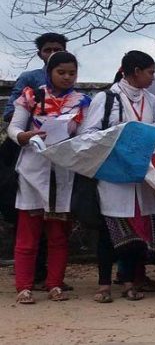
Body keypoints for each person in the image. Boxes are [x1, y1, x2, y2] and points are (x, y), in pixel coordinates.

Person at [7, 51, 90, 304]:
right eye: (61, 72)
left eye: (72, 73)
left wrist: (75, 142)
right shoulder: (31, 97)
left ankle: (55, 284)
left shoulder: (82, 101)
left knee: (58, 234)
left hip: (63, 172)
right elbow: (14, 127)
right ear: (49, 72)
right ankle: (24, 286)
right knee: (28, 233)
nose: (67, 77)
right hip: (33, 172)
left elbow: (86, 134)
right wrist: (24, 137)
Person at [81, 51, 155, 303]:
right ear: (136, 71)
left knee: (137, 232)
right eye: (150, 72)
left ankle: (129, 282)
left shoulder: (151, 101)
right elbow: (89, 134)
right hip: (113, 175)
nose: (152, 77)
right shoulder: (106, 99)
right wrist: (119, 139)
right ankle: (104, 284)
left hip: (140, 176)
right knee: (109, 231)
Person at [3, 33, 68, 122]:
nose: (53, 54)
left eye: (57, 50)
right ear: (39, 54)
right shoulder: (29, 78)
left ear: (65, 53)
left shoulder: (69, 79)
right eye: (48, 50)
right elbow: (9, 112)